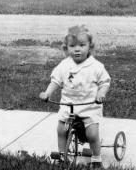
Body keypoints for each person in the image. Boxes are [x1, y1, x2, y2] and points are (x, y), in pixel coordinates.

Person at [39, 25, 110, 169]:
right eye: (72, 46)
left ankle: (96, 159)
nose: (77, 49)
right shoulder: (64, 65)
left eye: (82, 45)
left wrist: (101, 93)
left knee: (91, 133)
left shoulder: (96, 66)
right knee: (61, 129)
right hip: (68, 106)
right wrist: (47, 93)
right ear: (66, 48)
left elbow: (105, 82)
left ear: (90, 47)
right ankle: (61, 156)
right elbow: (55, 81)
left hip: (89, 106)